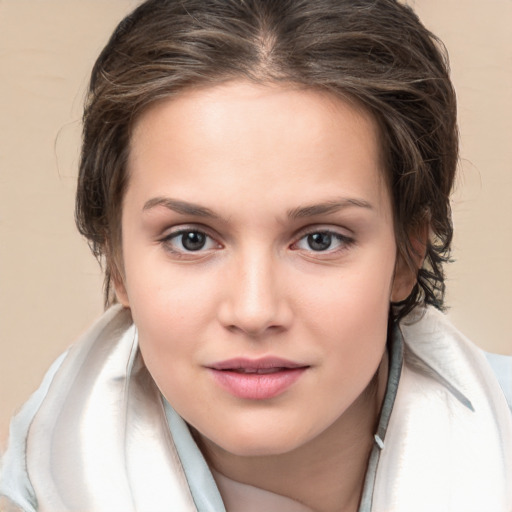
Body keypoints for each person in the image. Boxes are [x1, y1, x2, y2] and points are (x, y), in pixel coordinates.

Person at [1, 0, 511, 510]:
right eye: (191, 239)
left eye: (320, 239)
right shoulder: (35, 490)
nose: (254, 311)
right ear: (116, 261)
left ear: (406, 255)